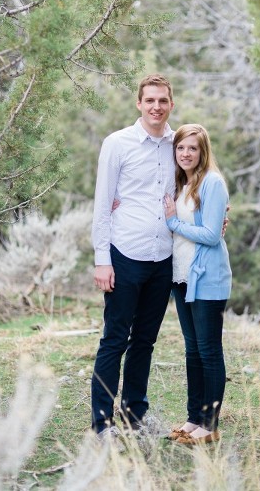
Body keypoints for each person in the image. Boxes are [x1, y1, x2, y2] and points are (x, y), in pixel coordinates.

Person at [90, 74, 176, 437]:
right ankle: (102, 424)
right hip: (125, 254)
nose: (156, 106)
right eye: (150, 100)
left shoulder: (179, 142)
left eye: (163, 100)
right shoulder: (118, 144)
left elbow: (195, 185)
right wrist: (102, 258)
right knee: (115, 338)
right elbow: (103, 203)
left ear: (171, 103)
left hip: (163, 257)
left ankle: (134, 416)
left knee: (145, 340)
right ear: (139, 104)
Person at [163, 124, 231, 445]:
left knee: (209, 351)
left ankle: (210, 425)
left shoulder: (212, 183)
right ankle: (194, 419)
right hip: (181, 278)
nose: (186, 154)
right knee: (192, 351)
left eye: (193, 148)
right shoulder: (183, 183)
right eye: (181, 148)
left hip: (208, 279)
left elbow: (211, 234)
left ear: (203, 152)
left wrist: (174, 221)